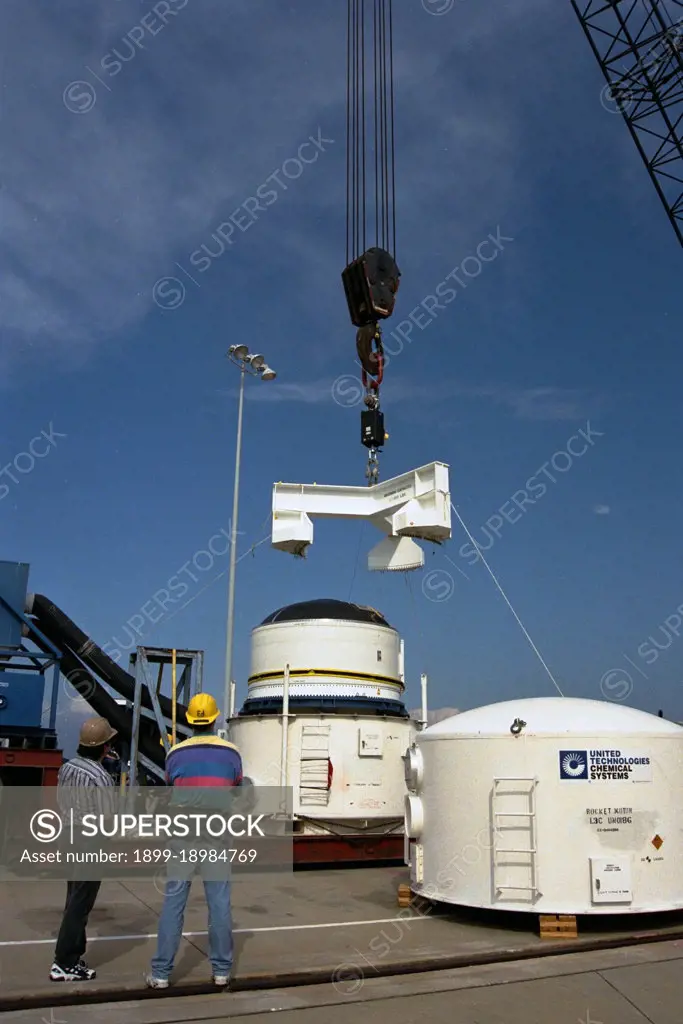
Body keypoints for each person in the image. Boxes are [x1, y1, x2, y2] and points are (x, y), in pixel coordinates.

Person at [146, 693, 242, 990]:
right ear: (215, 719)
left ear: (190, 721)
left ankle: (161, 973)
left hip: (182, 834)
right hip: (215, 833)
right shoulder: (232, 753)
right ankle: (222, 970)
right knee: (219, 903)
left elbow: (169, 786)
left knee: (174, 901)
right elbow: (237, 789)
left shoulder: (175, 753)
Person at [50, 715, 118, 982]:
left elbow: (59, 800)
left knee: (73, 897)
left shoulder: (67, 768)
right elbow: (107, 816)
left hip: (67, 835)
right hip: (90, 840)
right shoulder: (101, 777)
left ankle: (72, 955)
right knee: (81, 903)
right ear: (104, 747)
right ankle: (64, 961)